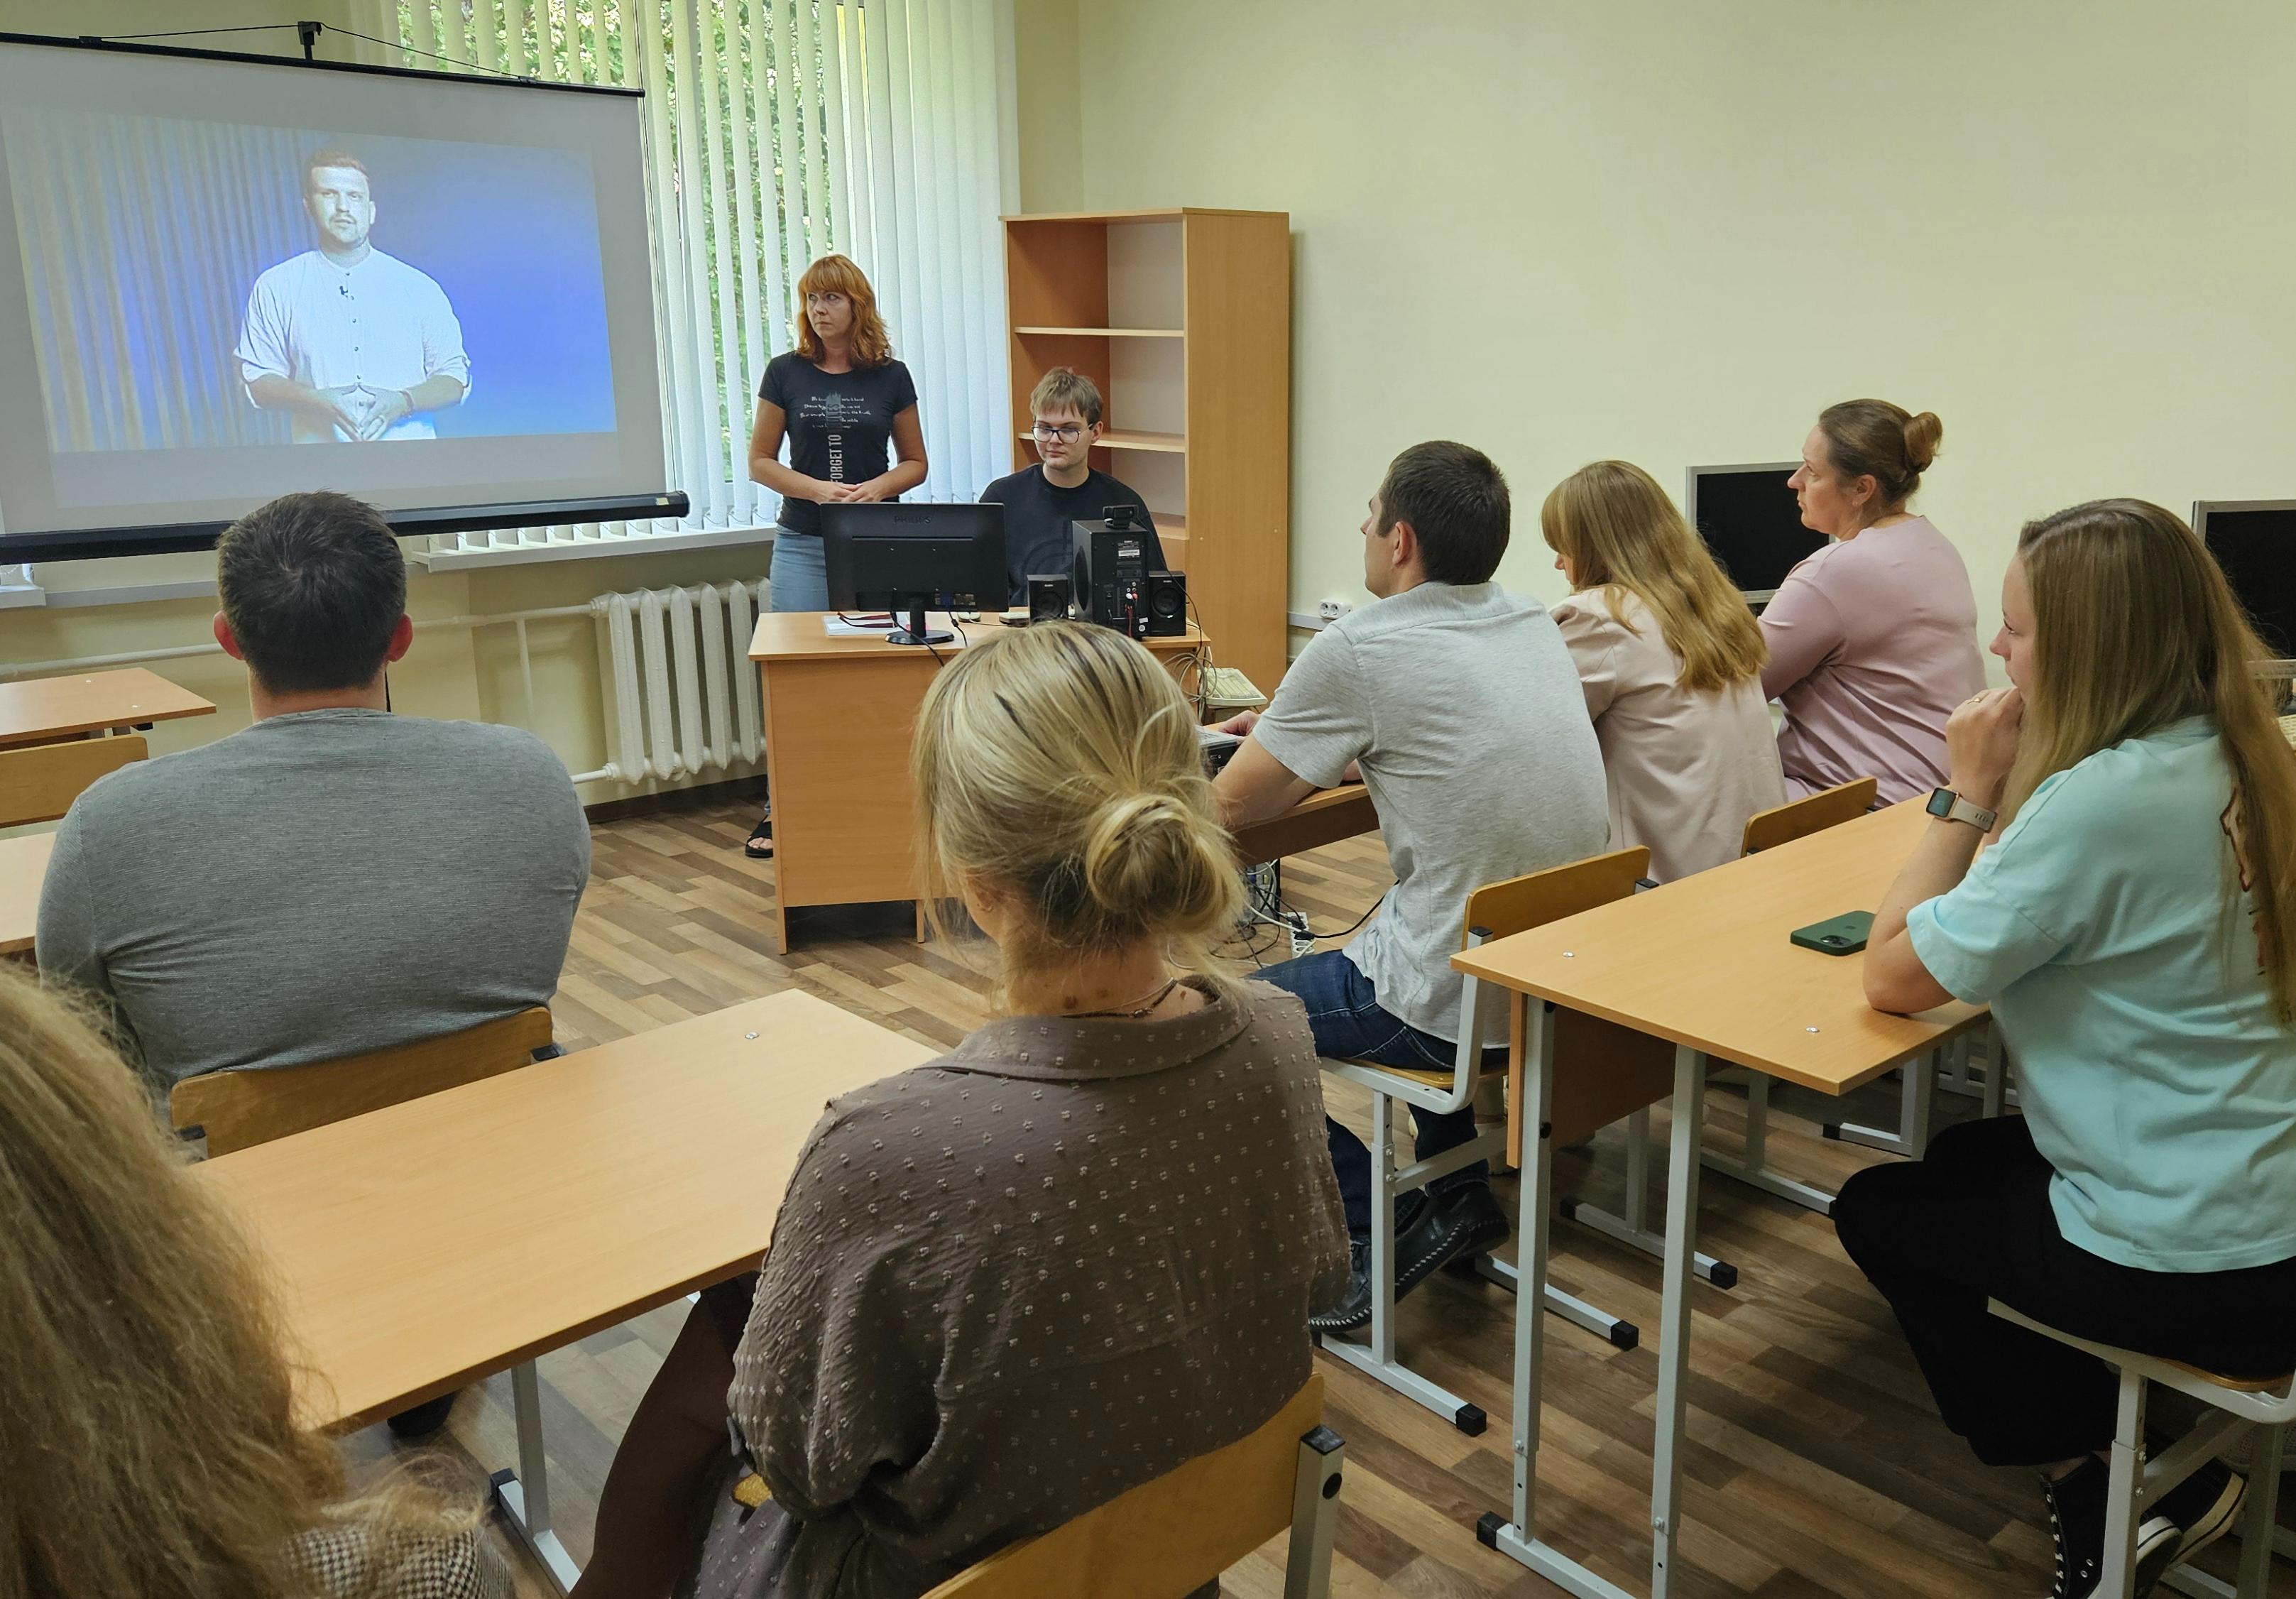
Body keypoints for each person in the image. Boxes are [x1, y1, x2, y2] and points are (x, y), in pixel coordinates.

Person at [568, 621, 1347, 1599]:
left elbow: (797, 1467)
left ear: (975, 882)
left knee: (723, 1334)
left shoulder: (885, 1152)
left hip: (926, 1577)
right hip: (1176, 1557)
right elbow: (1318, 1284)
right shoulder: (1276, 1034)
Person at [1834, 499, 2296, 1598]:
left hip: (2203, 1265)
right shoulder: (2252, 752)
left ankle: (2102, 1478)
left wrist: (1966, 793)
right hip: (2269, 1205)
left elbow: (1891, 978)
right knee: (1961, 1162)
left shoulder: (2100, 802)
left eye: (2020, 631)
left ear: (2092, 649)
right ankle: (2101, 1403)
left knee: (1877, 1211)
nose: (1996, 651)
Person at [1214, 441, 1609, 1331]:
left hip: (1447, 995)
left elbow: (1229, 813)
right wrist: (1312, 739)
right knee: (1429, 923)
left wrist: (1241, 758)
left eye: (1368, 512)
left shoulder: (1358, 644)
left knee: (1220, 1029)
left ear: (1399, 540)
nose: (1358, 526)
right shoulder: (1530, 619)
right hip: (1546, 982)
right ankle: (1460, 1201)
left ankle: (1378, 1223)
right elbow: (1449, 741)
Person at [37, 489, 588, 1095]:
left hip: (231, 1183)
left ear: (230, 639)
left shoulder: (110, 825)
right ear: (400, 639)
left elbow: (86, 1053)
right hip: (512, 1151)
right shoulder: (531, 776)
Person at [0, 966, 508, 1598]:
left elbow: (109, 1034)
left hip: (277, 1201)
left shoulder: (96, 870)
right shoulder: (429, 1572)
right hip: (475, 1182)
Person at [743, 253, 927, 858]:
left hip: (876, 545)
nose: (820, 311)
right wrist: (818, 490)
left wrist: (879, 488)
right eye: (812, 300)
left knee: (877, 673)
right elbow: (761, 462)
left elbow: (915, 463)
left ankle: (874, 799)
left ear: (857, 306)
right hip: (803, 542)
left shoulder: (891, 376)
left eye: (832, 300)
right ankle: (781, 808)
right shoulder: (786, 373)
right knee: (794, 674)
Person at [1541, 459, 1786, 882]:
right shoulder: (1715, 607)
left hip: (1665, 882)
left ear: (1595, 548)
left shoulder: (1599, 617)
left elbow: (1533, 737)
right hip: (1750, 863)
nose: (1559, 565)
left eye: (1563, 548)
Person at [1761, 399, 1984, 802]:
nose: (1793, 481)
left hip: (1868, 808)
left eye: (1812, 472)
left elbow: (1739, 684)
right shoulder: (1934, 545)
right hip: (1940, 798)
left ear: (1862, 488)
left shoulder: (1835, 570)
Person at [237, 149, 471, 444]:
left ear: (371, 211)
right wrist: (314, 400)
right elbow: (258, 379)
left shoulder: (419, 287)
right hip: (318, 473)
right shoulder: (276, 286)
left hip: (412, 467)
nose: (343, 207)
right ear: (308, 207)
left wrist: (404, 401)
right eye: (329, 194)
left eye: (354, 196)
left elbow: (454, 380)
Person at [979, 366, 1169, 605]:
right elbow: (983, 595)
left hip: (1100, 637)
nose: (1054, 440)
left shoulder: (1124, 502)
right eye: (1045, 428)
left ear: (1095, 432)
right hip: (1024, 635)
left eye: (1069, 430)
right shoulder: (1001, 498)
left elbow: (1155, 590)